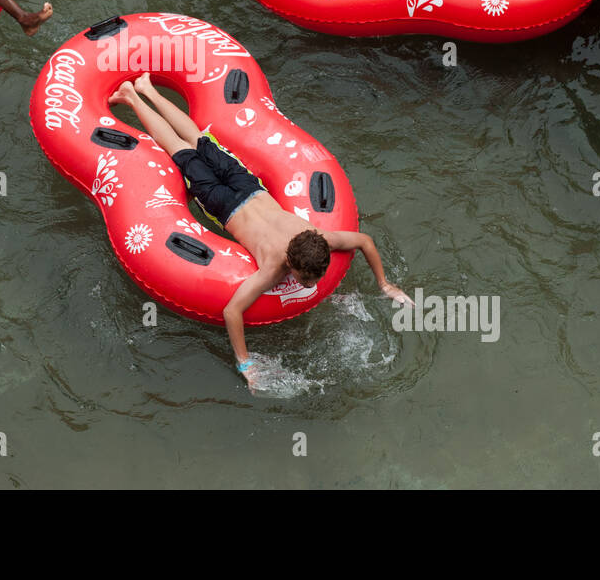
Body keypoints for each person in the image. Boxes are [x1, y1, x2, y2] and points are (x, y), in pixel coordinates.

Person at [108, 73, 413, 390]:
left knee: (198, 139)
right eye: (306, 279)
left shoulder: (319, 236)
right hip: (222, 201)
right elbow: (232, 311)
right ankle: (132, 95)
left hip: (247, 185)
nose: (310, 284)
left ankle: (147, 88)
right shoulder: (272, 267)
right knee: (179, 148)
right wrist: (246, 363)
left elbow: (364, 241)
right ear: (290, 265)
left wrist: (385, 283)